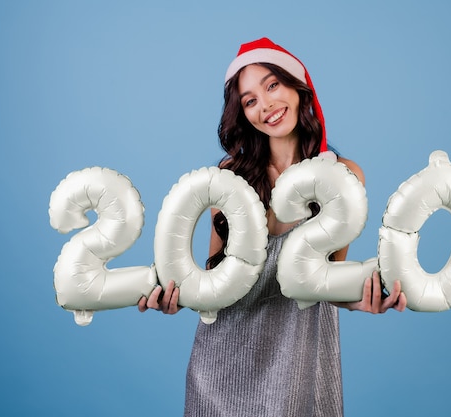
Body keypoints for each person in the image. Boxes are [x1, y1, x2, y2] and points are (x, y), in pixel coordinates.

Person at [139, 37, 407, 416]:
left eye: (272, 85)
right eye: (249, 100)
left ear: (298, 87)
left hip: (300, 366)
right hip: (221, 369)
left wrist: (363, 301)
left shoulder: (344, 178)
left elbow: (328, 283)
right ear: (243, 114)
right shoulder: (228, 178)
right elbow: (212, 279)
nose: (265, 105)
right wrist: (174, 299)